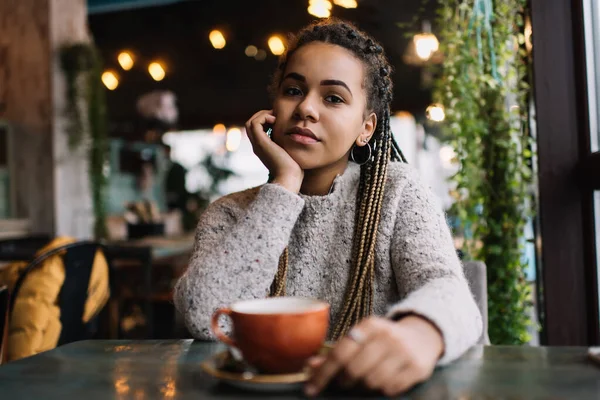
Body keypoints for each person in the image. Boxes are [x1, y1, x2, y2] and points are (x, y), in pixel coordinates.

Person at [173, 18, 482, 397]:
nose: (306, 108)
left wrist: (422, 332)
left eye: (333, 97)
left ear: (366, 127)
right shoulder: (230, 212)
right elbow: (204, 316)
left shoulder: (397, 190)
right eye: (293, 90)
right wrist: (285, 183)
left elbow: (448, 290)